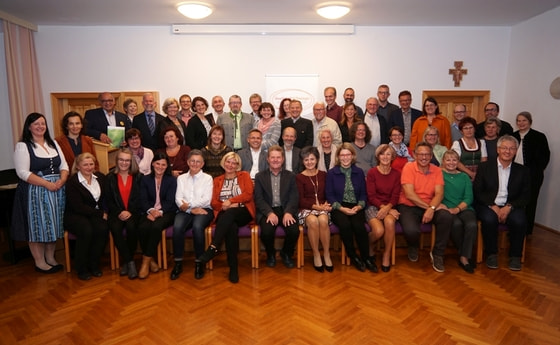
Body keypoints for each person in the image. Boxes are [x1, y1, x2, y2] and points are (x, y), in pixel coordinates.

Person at [12, 113, 69, 274]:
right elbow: (22, 172)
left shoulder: (54, 144)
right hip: (36, 191)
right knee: (38, 226)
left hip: (57, 189)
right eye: (36, 124)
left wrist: (62, 180)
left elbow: (64, 165)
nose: (40, 126)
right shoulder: (23, 146)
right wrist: (46, 184)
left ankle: (50, 258)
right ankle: (39, 262)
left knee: (54, 224)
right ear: (29, 126)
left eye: (43, 123)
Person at [195, 152, 256, 283]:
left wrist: (232, 202)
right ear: (224, 162)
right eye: (228, 161)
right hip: (225, 213)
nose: (230, 165)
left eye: (234, 163)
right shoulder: (217, 180)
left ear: (238, 165)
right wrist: (225, 205)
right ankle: (233, 268)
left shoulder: (244, 175)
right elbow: (214, 202)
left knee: (231, 215)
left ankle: (213, 247)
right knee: (231, 226)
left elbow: (248, 194)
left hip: (243, 211)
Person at [473, 135, 530, 271]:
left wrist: (509, 207)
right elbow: (478, 191)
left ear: (516, 151)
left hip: (512, 205)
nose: (507, 151)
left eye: (511, 148)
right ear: (498, 149)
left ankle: (515, 256)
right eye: (504, 148)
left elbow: (526, 195)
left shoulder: (523, 171)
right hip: (488, 204)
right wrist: (492, 206)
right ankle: (491, 254)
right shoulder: (484, 167)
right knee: (489, 219)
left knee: (520, 221)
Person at [397, 142, 453, 273]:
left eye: (427, 154)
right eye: (420, 154)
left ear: (431, 155)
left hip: (430, 204)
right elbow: (409, 194)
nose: (424, 157)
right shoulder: (408, 167)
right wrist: (430, 207)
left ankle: (438, 254)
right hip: (409, 205)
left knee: (446, 217)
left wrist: (432, 208)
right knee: (411, 231)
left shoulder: (437, 170)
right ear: (415, 155)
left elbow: (439, 193)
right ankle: (413, 245)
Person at [326, 143, 373, 272]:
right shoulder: (332, 173)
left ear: (352, 156)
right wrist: (341, 208)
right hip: (339, 207)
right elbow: (329, 195)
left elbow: (364, 193)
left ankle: (366, 257)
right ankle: (353, 256)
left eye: (348, 155)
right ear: (338, 157)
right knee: (345, 225)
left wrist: (359, 206)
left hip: (356, 206)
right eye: (342, 155)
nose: (345, 158)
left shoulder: (358, 172)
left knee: (359, 227)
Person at [170, 150, 214, 280]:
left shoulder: (208, 178)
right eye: (192, 161)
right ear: (188, 162)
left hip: (204, 210)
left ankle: (199, 263)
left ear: (202, 163)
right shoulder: (181, 178)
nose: (195, 164)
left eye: (198, 161)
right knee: (177, 227)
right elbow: (178, 198)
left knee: (197, 227)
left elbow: (206, 199)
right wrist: (190, 209)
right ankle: (178, 263)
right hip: (185, 211)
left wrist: (189, 206)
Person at [254, 146, 300, 268]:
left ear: (283, 159)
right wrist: (269, 213)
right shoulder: (259, 176)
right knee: (267, 232)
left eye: (278, 157)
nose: (275, 160)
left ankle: (286, 253)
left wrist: (289, 212)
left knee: (294, 231)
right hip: (267, 210)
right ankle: (271, 254)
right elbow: (259, 199)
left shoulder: (291, 176)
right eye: (272, 157)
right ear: (268, 159)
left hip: (285, 209)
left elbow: (294, 197)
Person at [64, 153, 108, 280]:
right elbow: (78, 207)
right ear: (78, 166)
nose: (89, 167)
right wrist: (101, 214)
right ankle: (81, 268)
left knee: (102, 229)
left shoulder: (100, 177)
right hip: (75, 215)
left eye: (91, 164)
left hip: (93, 214)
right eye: (85, 165)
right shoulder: (72, 182)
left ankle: (94, 264)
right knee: (86, 230)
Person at [138, 152, 177, 279]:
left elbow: (170, 201)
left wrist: (158, 212)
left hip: (167, 212)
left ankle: (145, 262)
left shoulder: (171, 180)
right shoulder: (145, 179)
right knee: (143, 227)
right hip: (149, 212)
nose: (160, 167)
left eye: (163, 165)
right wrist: (151, 211)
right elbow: (142, 199)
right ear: (153, 164)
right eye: (157, 164)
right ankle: (151, 260)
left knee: (156, 227)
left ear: (167, 166)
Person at [105, 148, 142, 280]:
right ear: (117, 161)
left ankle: (127, 262)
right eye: (121, 160)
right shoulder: (109, 177)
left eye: (127, 160)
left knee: (132, 227)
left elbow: (140, 198)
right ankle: (130, 262)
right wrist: (119, 212)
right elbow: (108, 199)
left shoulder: (138, 176)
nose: (124, 163)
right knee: (115, 229)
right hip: (116, 212)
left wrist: (130, 211)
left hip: (134, 212)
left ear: (131, 162)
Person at [439, 150, 477, 273]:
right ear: (443, 161)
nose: (451, 162)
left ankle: (464, 257)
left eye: (454, 160)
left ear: (458, 162)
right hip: (446, 208)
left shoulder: (464, 176)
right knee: (456, 224)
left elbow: (469, 197)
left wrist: (458, 208)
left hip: (464, 208)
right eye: (448, 160)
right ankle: (464, 253)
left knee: (471, 224)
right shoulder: (438, 174)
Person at [513, 111, 550, 235]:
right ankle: (513, 228)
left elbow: (545, 156)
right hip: (514, 175)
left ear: (530, 121)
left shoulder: (539, 136)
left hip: (532, 176)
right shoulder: (513, 136)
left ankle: (527, 230)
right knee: (514, 200)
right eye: (519, 120)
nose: (521, 123)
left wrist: (537, 170)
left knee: (530, 202)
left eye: (524, 120)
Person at [296, 146, 333, 272]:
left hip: (323, 207)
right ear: (302, 162)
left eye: (312, 159)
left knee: (323, 220)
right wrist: (317, 207)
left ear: (317, 160)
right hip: (306, 209)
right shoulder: (299, 177)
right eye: (306, 160)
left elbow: (329, 193)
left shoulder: (324, 175)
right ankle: (316, 254)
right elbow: (300, 200)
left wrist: (327, 205)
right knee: (313, 221)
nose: (309, 162)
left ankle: (326, 254)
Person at [366, 144, 401, 272]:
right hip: (373, 206)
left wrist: (388, 208)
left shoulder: (397, 174)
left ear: (392, 157)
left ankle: (386, 255)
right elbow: (371, 195)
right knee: (378, 231)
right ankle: (369, 246)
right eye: (382, 154)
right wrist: (383, 208)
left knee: (390, 222)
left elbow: (396, 195)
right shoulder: (372, 172)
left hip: (390, 206)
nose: (385, 157)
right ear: (378, 156)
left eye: (388, 154)